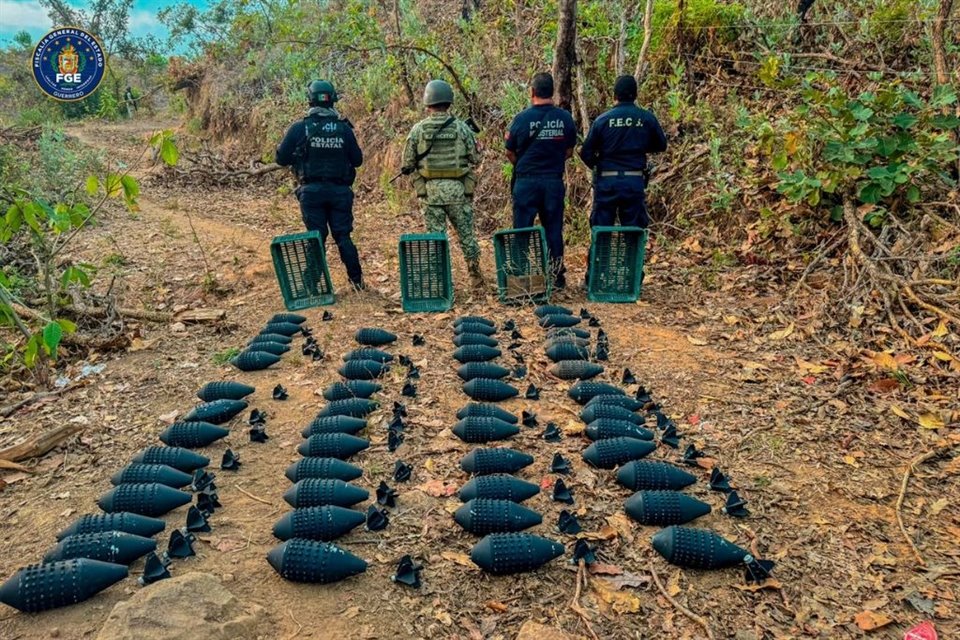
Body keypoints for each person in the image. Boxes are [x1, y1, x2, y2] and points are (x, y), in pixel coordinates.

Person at [276, 80, 365, 290]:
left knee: (316, 237)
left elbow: (281, 158)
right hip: (340, 192)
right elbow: (358, 160)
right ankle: (357, 282)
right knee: (343, 236)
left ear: (309, 99)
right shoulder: (344, 129)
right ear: (333, 99)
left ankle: (310, 286)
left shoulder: (300, 128)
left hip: (311, 192)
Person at [402, 79, 484, 289]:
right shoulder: (462, 129)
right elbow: (475, 158)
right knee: (466, 235)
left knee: (436, 238)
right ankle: (475, 276)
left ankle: (440, 280)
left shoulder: (418, 130)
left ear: (428, 103)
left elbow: (407, 163)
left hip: (431, 194)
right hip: (458, 191)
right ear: (449, 102)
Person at [505, 72, 577, 289]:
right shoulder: (565, 118)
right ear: (552, 92)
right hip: (553, 182)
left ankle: (520, 277)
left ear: (532, 92)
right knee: (553, 228)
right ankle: (556, 277)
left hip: (526, 182)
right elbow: (569, 151)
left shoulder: (521, 119)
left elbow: (509, 152)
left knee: (522, 230)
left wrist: (524, 165)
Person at [579, 74, 667, 229]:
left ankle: (601, 254)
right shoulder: (646, 118)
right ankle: (631, 254)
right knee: (634, 232)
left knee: (602, 232)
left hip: (607, 182)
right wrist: (640, 146)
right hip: (634, 182)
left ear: (614, 95)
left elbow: (586, 152)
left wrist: (599, 165)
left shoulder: (602, 120)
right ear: (636, 95)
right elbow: (661, 145)